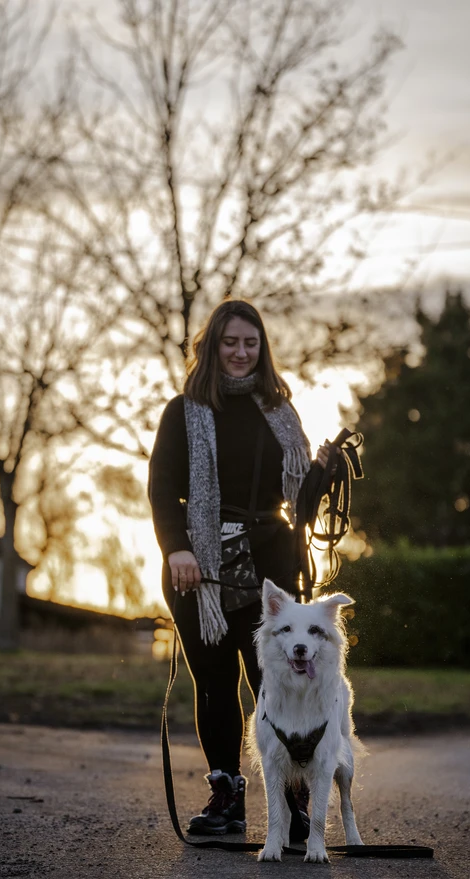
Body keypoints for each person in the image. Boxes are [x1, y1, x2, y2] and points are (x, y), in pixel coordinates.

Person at [148, 299, 330, 837]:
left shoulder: (280, 412)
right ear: (211, 347)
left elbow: (297, 501)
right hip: (196, 569)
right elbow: (162, 489)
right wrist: (175, 547)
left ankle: (294, 802)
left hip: (270, 565)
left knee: (276, 685)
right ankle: (227, 797)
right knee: (215, 682)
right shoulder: (182, 411)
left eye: (251, 343)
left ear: (262, 349)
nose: (241, 352)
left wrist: (319, 474)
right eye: (230, 342)